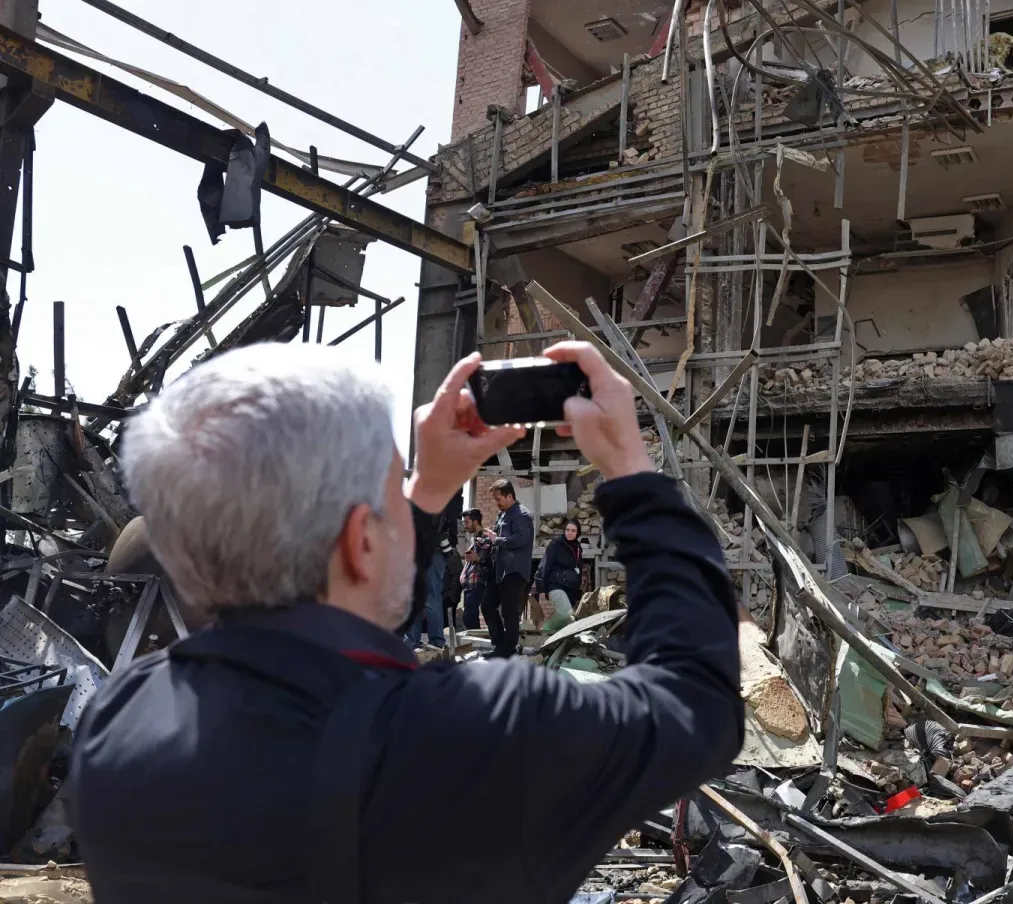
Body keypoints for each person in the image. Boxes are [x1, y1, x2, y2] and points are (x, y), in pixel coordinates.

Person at [70, 341, 742, 904]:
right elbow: (697, 703)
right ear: (362, 542)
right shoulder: (486, 736)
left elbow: (328, 654)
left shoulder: (113, 726)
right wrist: (630, 469)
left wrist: (424, 490)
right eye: (394, 494)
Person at [484, 478, 534, 657]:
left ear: (510, 496)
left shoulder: (522, 514)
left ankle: (508, 650)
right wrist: (488, 540)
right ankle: (500, 645)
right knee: (488, 605)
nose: (497, 503)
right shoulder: (503, 514)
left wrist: (496, 540)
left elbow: (521, 539)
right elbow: (499, 538)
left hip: (514, 571)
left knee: (509, 612)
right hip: (500, 571)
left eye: (499, 499)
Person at [404, 494, 460, 649]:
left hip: (433, 551)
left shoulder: (436, 499)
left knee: (430, 597)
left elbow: (437, 527)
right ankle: (412, 640)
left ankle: (436, 640)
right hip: (421, 551)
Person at [537, 518, 586, 631]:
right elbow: (544, 565)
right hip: (555, 585)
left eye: (573, 531)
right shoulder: (556, 545)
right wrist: (542, 588)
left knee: (569, 621)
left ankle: (558, 643)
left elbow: (577, 570)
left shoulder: (577, 548)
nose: (570, 533)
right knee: (566, 614)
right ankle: (543, 631)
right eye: (568, 530)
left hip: (569, 588)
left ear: (577, 533)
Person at [460, 508, 493, 631]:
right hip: (470, 586)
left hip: (478, 584)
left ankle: (478, 641)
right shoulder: (473, 539)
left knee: (469, 617)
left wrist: (477, 558)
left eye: (467, 522)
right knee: (469, 617)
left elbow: (490, 557)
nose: (465, 526)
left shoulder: (485, 536)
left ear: (475, 521)